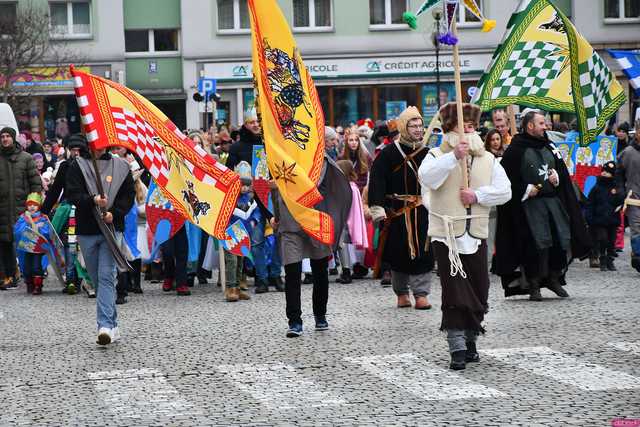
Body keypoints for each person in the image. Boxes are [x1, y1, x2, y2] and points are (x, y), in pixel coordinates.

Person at [419, 102, 511, 370]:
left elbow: (505, 192)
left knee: (479, 289)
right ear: (450, 130)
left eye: (472, 127)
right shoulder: (436, 156)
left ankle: (471, 340)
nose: (469, 132)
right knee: (455, 291)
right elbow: (427, 180)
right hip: (446, 235)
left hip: (477, 231)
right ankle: (457, 346)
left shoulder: (488, 159)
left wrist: (478, 195)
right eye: (463, 127)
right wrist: (453, 158)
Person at [494, 111, 591, 301]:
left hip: (553, 204)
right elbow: (504, 180)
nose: (545, 126)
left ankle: (554, 278)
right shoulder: (516, 149)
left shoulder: (550, 145)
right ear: (530, 126)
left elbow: (561, 171)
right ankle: (534, 284)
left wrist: (557, 178)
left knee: (559, 241)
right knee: (535, 246)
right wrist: (525, 189)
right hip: (529, 208)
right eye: (541, 123)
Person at [65, 135, 135, 345]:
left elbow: (128, 196)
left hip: (112, 230)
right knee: (96, 278)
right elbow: (72, 194)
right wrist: (92, 200)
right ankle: (112, 323)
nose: (99, 147)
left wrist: (115, 212)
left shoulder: (120, 167)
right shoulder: (77, 166)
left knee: (106, 276)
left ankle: (103, 325)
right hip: (87, 229)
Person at [272, 154, 351, 337]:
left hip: (315, 219)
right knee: (292, 272)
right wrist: (276, 215)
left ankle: (320, 314)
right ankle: (294, 321)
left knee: (320, 270)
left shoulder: (318, 156)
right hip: (290, 223)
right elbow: (274, 191)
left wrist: (283, 182)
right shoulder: (279, 153)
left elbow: (314, 183)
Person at [368, 106, 434, 310]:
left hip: (423, 210)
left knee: (423, 252)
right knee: (398, 254)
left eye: (420, 125)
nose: (417, 129)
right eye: (412, 125)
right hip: (396, 212)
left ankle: (421, 293)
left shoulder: (429, 153)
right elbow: (377, 180)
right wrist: (378, 208)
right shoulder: (388, 154)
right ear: (404, 128)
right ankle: (402, 293)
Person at [227, 109, 283, 293]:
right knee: (258, 241)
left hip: (272, 197)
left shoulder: (270, 144)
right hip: (251, 202)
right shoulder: (237, 148)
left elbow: (280, 169)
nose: (256, 125)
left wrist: (277, 181)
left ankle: (276, 275)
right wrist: (242, 185)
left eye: (258, 121)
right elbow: (228, 173)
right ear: (245, 124)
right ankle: (262, 278)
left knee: (276, 238)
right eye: (252, 122)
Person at [0, 127, 42, 290]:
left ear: (13, 138)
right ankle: (7, 276)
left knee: (25, 243)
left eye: (7, 136)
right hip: (2, 209)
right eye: (2, 136)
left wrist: (34, 205)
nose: (5, 139)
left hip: (23, 209)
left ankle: (31, 275)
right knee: (4, 243)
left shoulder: (26, 158)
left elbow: (35, 184)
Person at [585, 161, 624, 272]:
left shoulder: (616, 187)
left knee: (611, 241)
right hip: (599, 220)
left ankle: (610, 260)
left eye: (608, 172)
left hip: (612, 220)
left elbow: (620, 199)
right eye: (604, 171)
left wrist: (618, 195)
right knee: (603, 239)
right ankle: (602, 258)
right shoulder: (596, 188)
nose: (605, 174)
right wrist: (590, 218)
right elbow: (590, 204)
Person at [14, 192, 51, 295]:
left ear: (38, 206)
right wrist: (26, 227)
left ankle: (38, 286)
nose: (32, 207)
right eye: (29, 205)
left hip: (37, 247)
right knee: (26, 267)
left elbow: (46, 231)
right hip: (26, 247)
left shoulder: (43, 218)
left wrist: (37, 227)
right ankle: (29, 284)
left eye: (34, 204)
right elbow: (17, 230)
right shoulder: (23, 218)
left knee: (36, 266)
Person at [617, 119, 640, 272]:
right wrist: (621, 192)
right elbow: (618, 174)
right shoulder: (628, 153)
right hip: (634, 197)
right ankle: (638, 256)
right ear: (637, 133)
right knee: (637, 229)